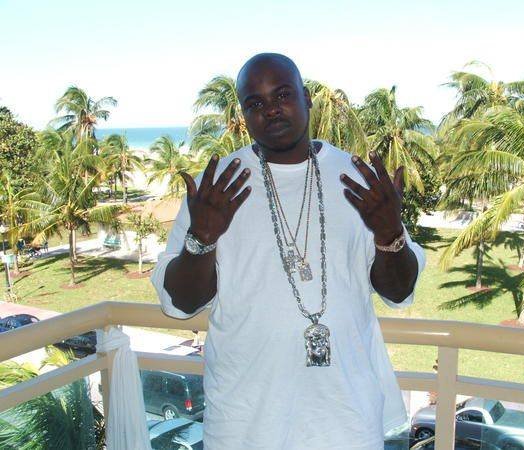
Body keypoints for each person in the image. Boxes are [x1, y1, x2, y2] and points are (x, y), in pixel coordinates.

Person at [151, 53, 425, 450]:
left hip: (346, 421)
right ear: (244, 115)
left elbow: (399, 291)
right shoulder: (215, 189)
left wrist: (390, 232)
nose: (271, 109)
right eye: (255, 103)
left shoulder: (356, 179)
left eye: (282, 94)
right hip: (245, 425)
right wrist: (202, 238)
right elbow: (180, 304)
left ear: (306, 98)